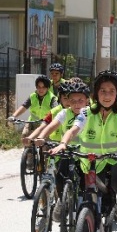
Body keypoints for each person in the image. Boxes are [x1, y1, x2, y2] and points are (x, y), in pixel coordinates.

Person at [51, 70, 117, 232]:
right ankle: (90, 230)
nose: (107, 95)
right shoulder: (86, 113)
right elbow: (73, 130)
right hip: (93, 161)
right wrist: (62, 144)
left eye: (112, 91)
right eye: (103, 91)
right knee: (91, 196)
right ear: (96, 94)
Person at [30, 81, 89, 220]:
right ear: (67, 101)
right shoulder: (64, 113)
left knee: (84, 180)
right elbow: (52, 126)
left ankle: (82, 205)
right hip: (66, 150)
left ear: (87, 101)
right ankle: (62, 201)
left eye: (80, 100)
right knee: (60, 176)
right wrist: (41, 137)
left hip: (85, 153)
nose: (76, 104)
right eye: (72, 100)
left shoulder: (90, 113)